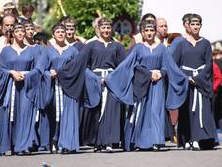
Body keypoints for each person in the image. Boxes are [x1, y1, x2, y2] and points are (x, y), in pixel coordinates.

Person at [104, 20, 188, 151]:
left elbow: (168, 66)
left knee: (156, 112)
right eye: (146, 30)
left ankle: (155, 141)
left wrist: (161, 73)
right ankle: (139, 142)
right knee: (141, 112)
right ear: (142, 32)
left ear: (155, 31)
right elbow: (130, 64)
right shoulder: (137, 48)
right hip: (141, 83)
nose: (149, 33)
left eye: (151, 30)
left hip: (157, 84)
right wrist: (111, 78)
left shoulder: (162, 48)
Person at [58, 17, 126, 152]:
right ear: (99, 29)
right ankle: (96, 142)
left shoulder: (117, 46)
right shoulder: (91, 45)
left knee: (110, 111)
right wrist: (94, 78)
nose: (106, 30)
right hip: (95, 81)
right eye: (103, 28)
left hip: (112, 82)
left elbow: (123, 66)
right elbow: (83, 64)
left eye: (108, 28)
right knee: (95, 111)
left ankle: (109, 142)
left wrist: (112, 78)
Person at [0, 23, 42, 156]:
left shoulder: (31, 50)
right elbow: (1, 69)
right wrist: (11, 72)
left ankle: (23, 145)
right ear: (13, 34)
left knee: (25, 114)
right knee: (10, 115)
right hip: (11, 86)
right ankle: (9, 144)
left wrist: (27, 75)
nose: (20, 33)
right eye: (17, 31)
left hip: (27, 86)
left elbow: (38, 68)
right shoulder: (6, 50)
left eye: (22, 31)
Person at [173, 14, 217, 150]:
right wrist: (186, 78)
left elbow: (209, 64)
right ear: (188, 26)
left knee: (200, 110)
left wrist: (198, 79)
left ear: (201, 26)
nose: (195, 27)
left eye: (198, 24)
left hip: (201, 82)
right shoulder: (181, 44)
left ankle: (199, 139)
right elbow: (174, 65)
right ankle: (187, 138)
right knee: (187, 110)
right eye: (193, 24)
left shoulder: (205, 43)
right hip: (187, 83)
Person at [39, 23, 80, 153]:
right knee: (53, 114)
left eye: (63, 31)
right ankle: (53, 140)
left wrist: (63, 73)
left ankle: (67, 143)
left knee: (67, 115)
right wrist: (48, 74)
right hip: (52, 87)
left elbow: (77, 68)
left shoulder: (73, 50)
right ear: (53, 35)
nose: (61, 34)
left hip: (68, 87)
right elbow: (41, 68)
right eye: (58, 32)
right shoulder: (47, 50)